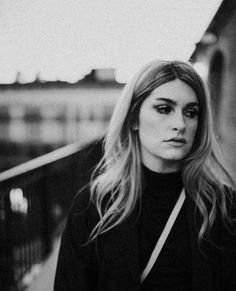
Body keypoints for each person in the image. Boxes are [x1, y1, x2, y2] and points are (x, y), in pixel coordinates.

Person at [54, 60, 236, 291]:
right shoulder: (95, 206)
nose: (180, 124)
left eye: (191, 112)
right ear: (133, 119)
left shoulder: (221, 206)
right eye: (164, 109)